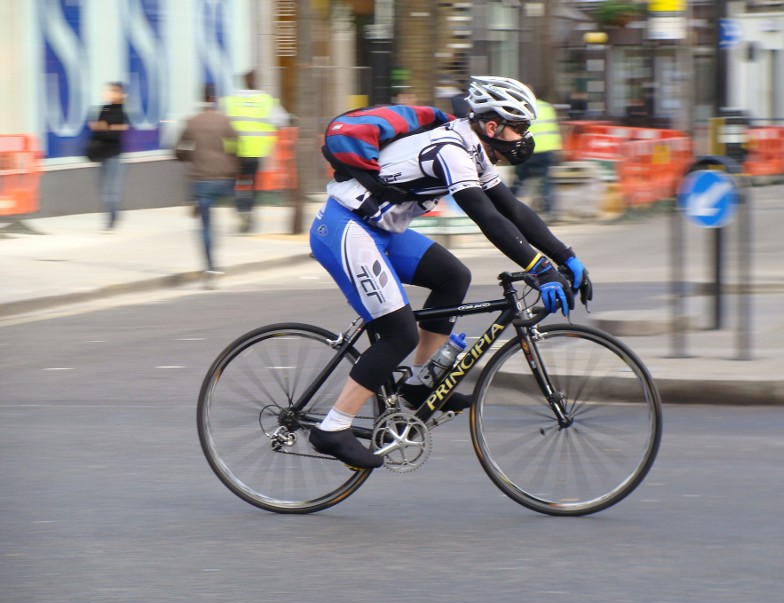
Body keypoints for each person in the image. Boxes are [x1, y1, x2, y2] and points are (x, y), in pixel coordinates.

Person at [307, 75, 593, 469]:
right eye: (520, 128)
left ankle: (415, 388)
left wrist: (567, 257)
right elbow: (486, 217)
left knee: (452, 277)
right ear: (492, 126)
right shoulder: (452, 148)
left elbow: (512, 210)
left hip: (382, 231)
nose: (524, 138)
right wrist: (539, 268)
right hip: (345, 229)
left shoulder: (473, 147)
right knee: (399, 333)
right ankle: (333, 428)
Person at [175, 84, 239, 287]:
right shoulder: (224, 120)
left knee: (206, 224)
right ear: (215, 98)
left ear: (201, 98)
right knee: (221, 209)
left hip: (200, 178)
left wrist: (188, 156)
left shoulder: (192, 122)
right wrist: (230, 161)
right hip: (223, 177)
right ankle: (239, 210)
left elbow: (178, 149)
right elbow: (236, 143)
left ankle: (211, 267)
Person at [221, 71, 289, 233]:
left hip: (233, 151)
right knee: (251, 184)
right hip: (256, 151)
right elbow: (282, 121)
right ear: (257, 82)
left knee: (234, 183)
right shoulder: (266, 101)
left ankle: (240, 209)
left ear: (243, 82)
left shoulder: (230, 101)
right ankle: (249, 212)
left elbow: (220, 122)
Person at [510, 89, 563, 222]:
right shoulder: (547, 106)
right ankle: (551, 212)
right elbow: (554, 128)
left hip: (529, 151)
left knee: (520, 180)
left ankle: (508, 209)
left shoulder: (522, 109)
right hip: (548, 150)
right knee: (546, 183)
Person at [88, 82, 129, 231]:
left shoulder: (122, 112)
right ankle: (112, 215)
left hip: (114, 155)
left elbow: (115, 134)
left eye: (113, 91)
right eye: (109, 91)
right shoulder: (104, 109)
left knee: (111, 188)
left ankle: (112, 217)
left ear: (119, 94)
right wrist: (107, 128)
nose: (109, 94)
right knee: (104, 188)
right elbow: (98, 130)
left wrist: (105, 128)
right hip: (102, 154)